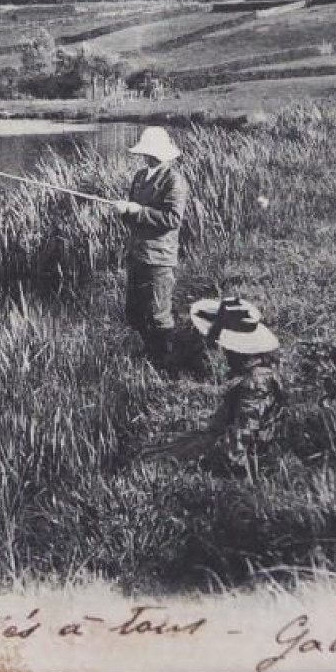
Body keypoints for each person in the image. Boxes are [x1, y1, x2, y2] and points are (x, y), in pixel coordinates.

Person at [113, 126, 190, 373]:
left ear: (162, 153)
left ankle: (168, 367)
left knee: (159, 316)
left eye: (151, 152)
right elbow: (133, 218)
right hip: (137, 254)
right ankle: (151, 355)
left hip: (159, 258)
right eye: (146, 153)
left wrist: (138, 211)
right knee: (135, 313)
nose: (148, 157)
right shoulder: (139, 177)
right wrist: (124, 211)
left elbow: (172, 219)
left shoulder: (174, 180)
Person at [189, 295, 285, 476]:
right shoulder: (256, 369)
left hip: (241, 455)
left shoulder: (256, 385)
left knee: (158, 458)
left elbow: (240, 443)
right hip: (226, 440)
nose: (223, 352)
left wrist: (205, 466)